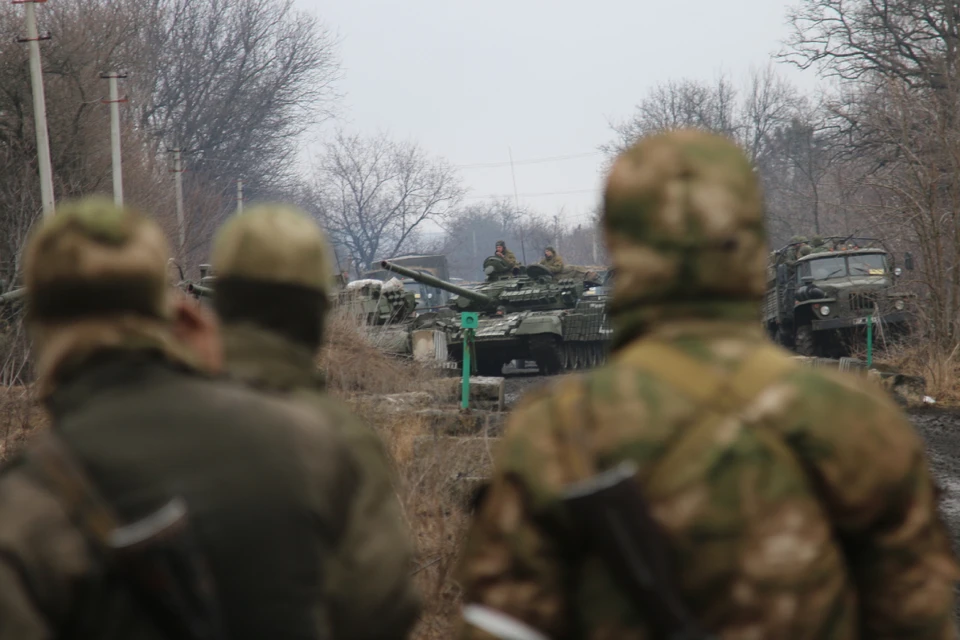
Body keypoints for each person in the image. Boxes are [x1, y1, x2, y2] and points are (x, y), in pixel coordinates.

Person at [456, 130, 959, 639]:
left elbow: (502, 625)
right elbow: (917, 616)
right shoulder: (855, 414)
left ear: (621, 247)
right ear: (748, 241)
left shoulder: (558, 428)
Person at [0, 197, 361, 640]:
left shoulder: (26, 503)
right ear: (170, 309)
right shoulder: (306, 439)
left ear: (40, 320)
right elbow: (377, 603)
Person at [209, 204, 420, 640]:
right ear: (318, 309)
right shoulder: (340, 439)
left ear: (222, 302)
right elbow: (380, 602)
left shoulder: (154, 412)